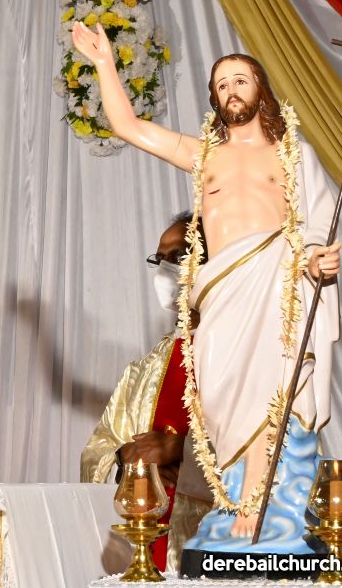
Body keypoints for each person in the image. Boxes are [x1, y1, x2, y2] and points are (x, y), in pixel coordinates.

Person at [73, 23, 341, 556]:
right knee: (218, 397)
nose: (232, 90)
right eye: (222, 85)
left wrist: (317, 259)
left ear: (260, 89)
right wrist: (104, 63)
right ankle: (235, 499)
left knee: (271, 394)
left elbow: (316, 221)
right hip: (221, 297)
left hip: (275, 290)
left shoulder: (291, 154)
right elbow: (128, 126)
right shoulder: (205, 156)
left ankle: (257, 511)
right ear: (214, 100)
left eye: (241, 80)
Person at [81, 212, 210, 570]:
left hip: (218, 547)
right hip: (144, 548)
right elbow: (97, 450)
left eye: (178, 255)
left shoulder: (249, 353)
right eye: (159, 258)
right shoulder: (144, 370)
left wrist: (184, 453)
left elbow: (277, 451)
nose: (165, 269)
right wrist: (128, 460)